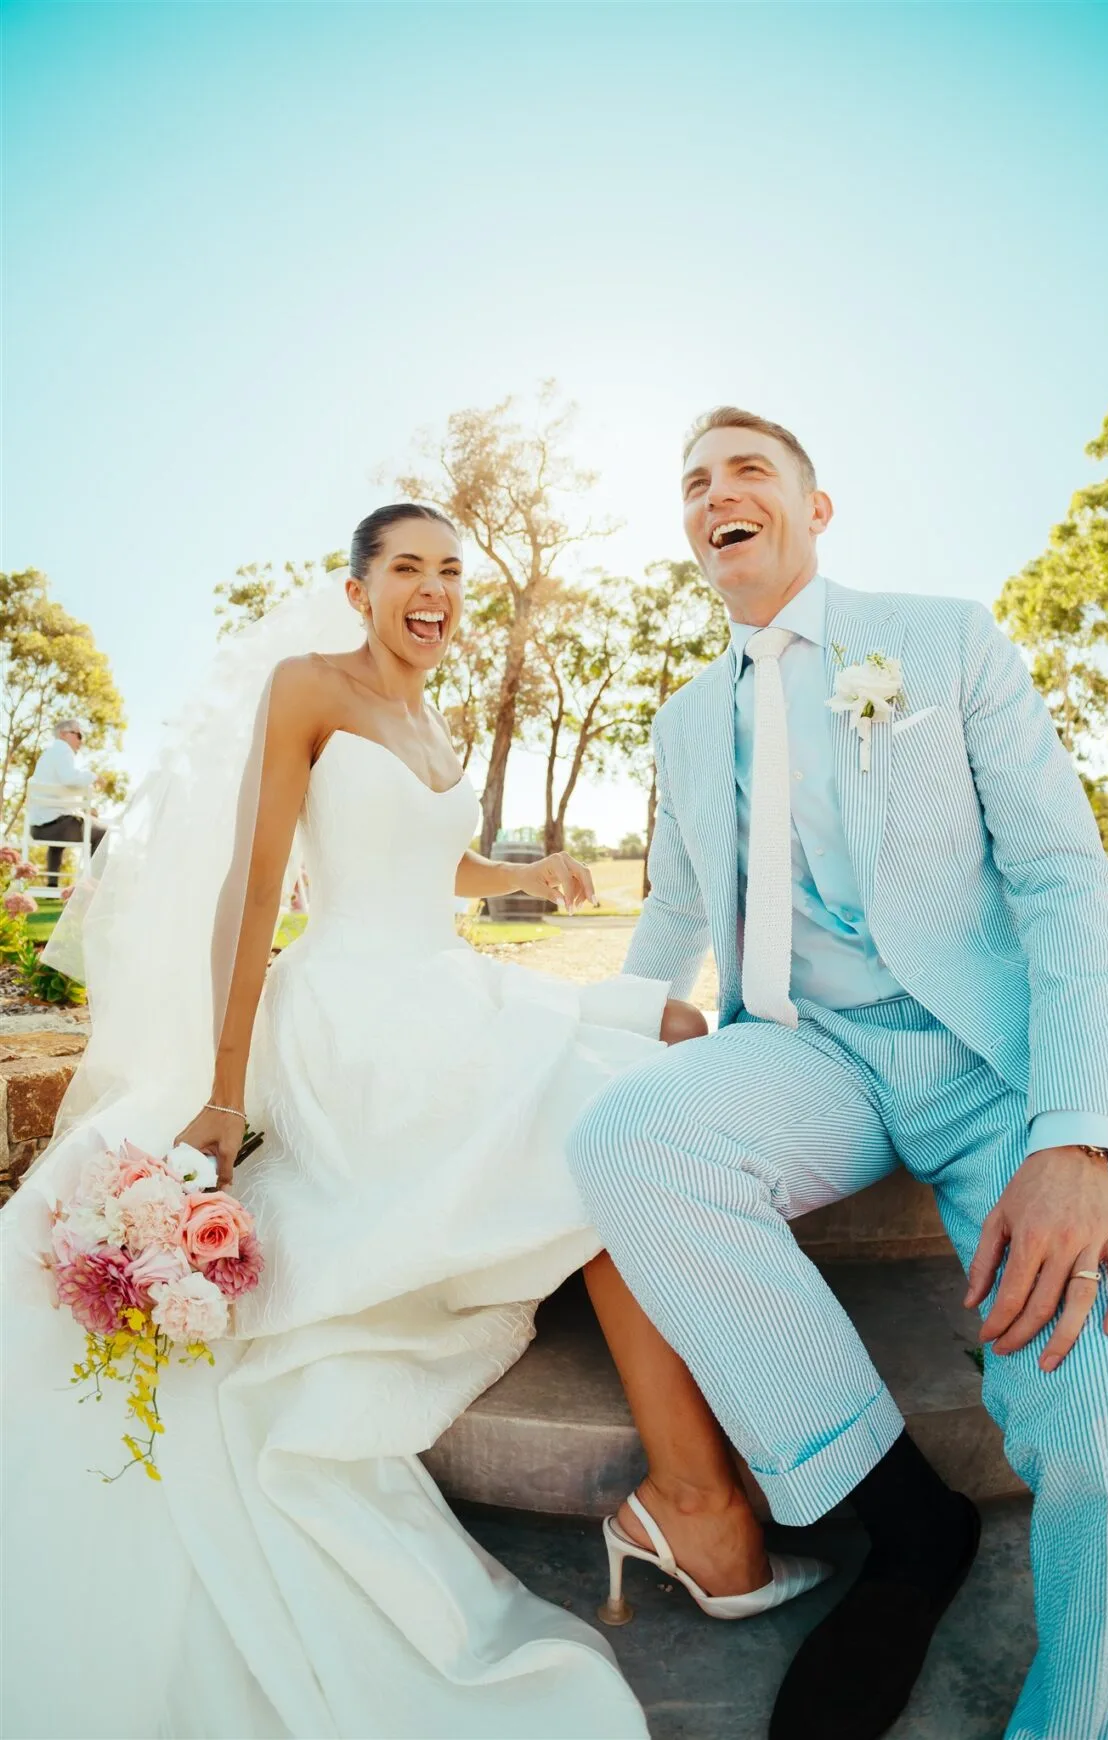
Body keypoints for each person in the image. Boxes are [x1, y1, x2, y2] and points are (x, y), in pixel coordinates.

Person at [0, 501, 827, 1740]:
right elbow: (254, 889)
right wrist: (225, 1090)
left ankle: (713, 1454)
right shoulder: (309, 686)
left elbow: (425, 864)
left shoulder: (431, 714)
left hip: (446, 985)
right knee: (618, 1122)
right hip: (356, 1018)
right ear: (359, 589)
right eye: (407, 569)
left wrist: (522, 874)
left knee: (672, 1028)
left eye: (450, 571)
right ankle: (692, 1500)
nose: (433, 590)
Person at [568, 407, 1108, 1740]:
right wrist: (600, 1039)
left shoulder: (944, 642)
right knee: (622, 1138)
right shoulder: (680, 722)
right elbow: (673, 910)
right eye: (694, 482)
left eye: (748, 470)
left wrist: (1079, 1134)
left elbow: (1062, 878)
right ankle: (898, 1518)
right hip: (804, 1055)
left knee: (1107, 1400)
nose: (717, 493)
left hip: (987, 1064)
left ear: (813, 508)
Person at [27, 716, 107, 885]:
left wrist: (82, 811)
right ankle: (94, 886)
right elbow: (69, 778)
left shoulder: (47, 755)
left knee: (62, 831)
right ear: (63, 734)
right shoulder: (63, 750)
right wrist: (94, 776)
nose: (81, 740)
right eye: (78, 735)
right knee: (103, 832)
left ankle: (52, 884)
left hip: (37, 829)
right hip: (57, 827)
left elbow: (60, 796)